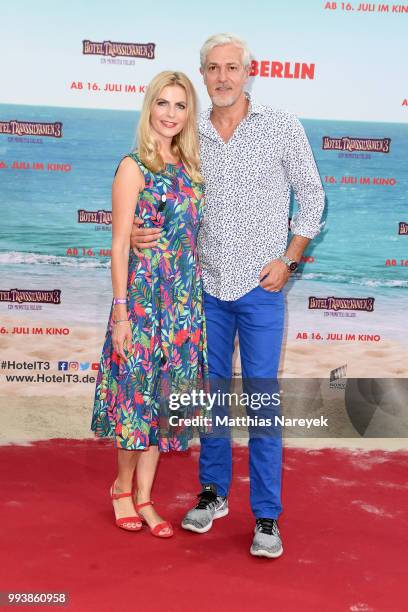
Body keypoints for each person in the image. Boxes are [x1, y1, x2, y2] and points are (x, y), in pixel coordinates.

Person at [131, 33, 325, 557]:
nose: (222, 77)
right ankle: (212, 494)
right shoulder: (189, 134)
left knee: (262, 405)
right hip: (204, 292)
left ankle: (266, 517)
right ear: (203, 73)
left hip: (261, 290)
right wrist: (131, 231)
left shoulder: (281, 126)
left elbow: (312, 198)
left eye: (231, 68)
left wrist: (289, 260)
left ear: (248, 72)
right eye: (212, 68)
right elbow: (155, 191)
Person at [91, 70, 209, 538]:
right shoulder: (132, 166)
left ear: (188, 114)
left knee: (162, 406)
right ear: (149, 108)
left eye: (180, 106)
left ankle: (145, 498)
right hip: (140, 305)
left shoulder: (191, 167)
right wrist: (121, 314)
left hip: (182, 304)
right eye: (163, 103)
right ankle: (121, 490)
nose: (170, 114)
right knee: (135, 401)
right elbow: (120, 246)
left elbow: (191, 237)